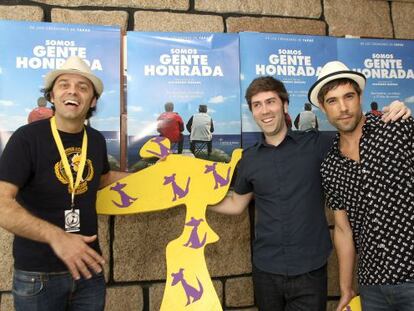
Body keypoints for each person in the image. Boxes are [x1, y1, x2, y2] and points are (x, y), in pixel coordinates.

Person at [208, 76, 410, 311]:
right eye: (257, 105)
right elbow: (235, 203)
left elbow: (351, 131)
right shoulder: (249, 158)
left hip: (310, 272)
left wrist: (398, 110)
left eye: (271, 101)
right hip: (266, 270)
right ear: (252, 112)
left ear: (284, 105)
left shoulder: (318, 145)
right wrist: (193, 200)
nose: (265, 110)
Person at [0, 56, 129, 311]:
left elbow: (102, 179)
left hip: (89, 270)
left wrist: (159, 175)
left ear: (92, 101)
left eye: (83, 87)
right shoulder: (26, 138)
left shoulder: (95, 140)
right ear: (52, 95)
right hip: (38, 277)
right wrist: (57, 237)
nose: (73, 90)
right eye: (64, 84)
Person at [309, 61, 414, 311]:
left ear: (360, 97)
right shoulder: (330, 165)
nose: (343, 108)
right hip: (372, 288)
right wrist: (346, 288)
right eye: (333, 101)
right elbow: (343, 230)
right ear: (323, 108)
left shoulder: (397, 128)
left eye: (349, 96)